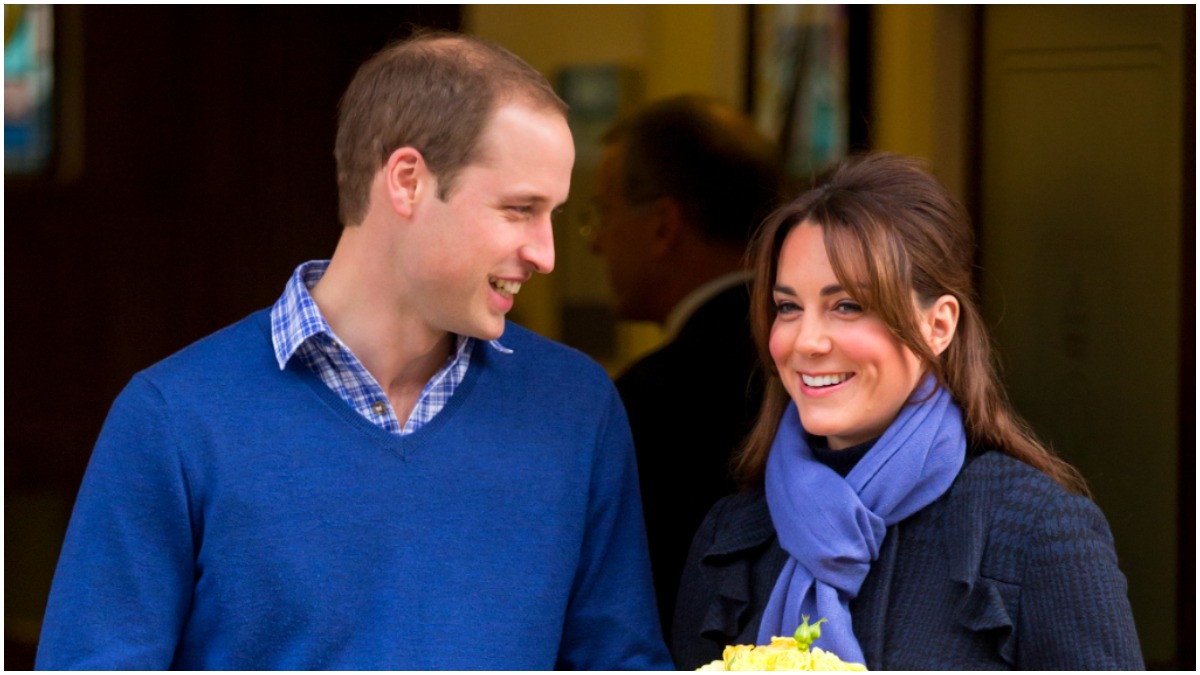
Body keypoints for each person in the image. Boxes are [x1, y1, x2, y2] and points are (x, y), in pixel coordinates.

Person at [36, 31, 672, 670]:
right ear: (407, 181)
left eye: (553, 215)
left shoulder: (577, 409)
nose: (546, 253)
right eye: (519, 210)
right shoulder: (172, 419)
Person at [671, 153, 1144, 669]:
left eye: (847, 305)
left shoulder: (1035, 530)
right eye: (788, 307)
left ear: (938, 326)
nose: (805, 340)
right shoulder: (731, 536)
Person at [587, 94, 784, 636]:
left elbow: (627, 608)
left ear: (662, 226)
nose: (597, 242)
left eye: (604, 212)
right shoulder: (818, 363)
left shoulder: (652, 399)